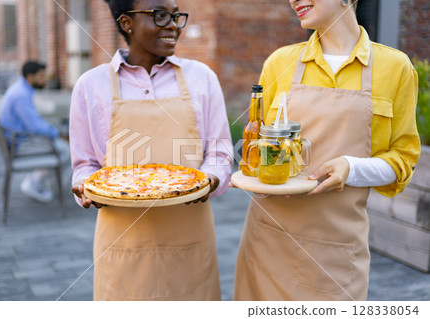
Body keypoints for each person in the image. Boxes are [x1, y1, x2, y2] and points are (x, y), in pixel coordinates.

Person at [233, 0, 420, 301]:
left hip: (337, 249)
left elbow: (403, 159)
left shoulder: (395, 68)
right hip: (269, 241)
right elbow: (261, 141)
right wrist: (253, 174)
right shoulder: (280, 62)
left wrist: (351, 167)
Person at [70, 0, 233, 300]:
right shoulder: (90, 86)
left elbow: (221, 154)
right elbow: (85, 164)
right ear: (126, 23)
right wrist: (85, 186)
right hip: (122, 242)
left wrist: (208, 180)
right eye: (160, 16)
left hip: (190, 237)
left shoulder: (202, 78)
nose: (172, 25)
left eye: (176, 16)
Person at [0, 61, 70, 203]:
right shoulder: (21, 94)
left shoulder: (21, 89)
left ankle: (40, 182)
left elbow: (34, 122)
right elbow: (34, 126)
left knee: (65, 147)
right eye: (42, 76)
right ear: (30, 77)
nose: (45, 79)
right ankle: (35, 182)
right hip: (19, 143)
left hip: (19, 139)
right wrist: (58, 134)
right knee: (68, 151)